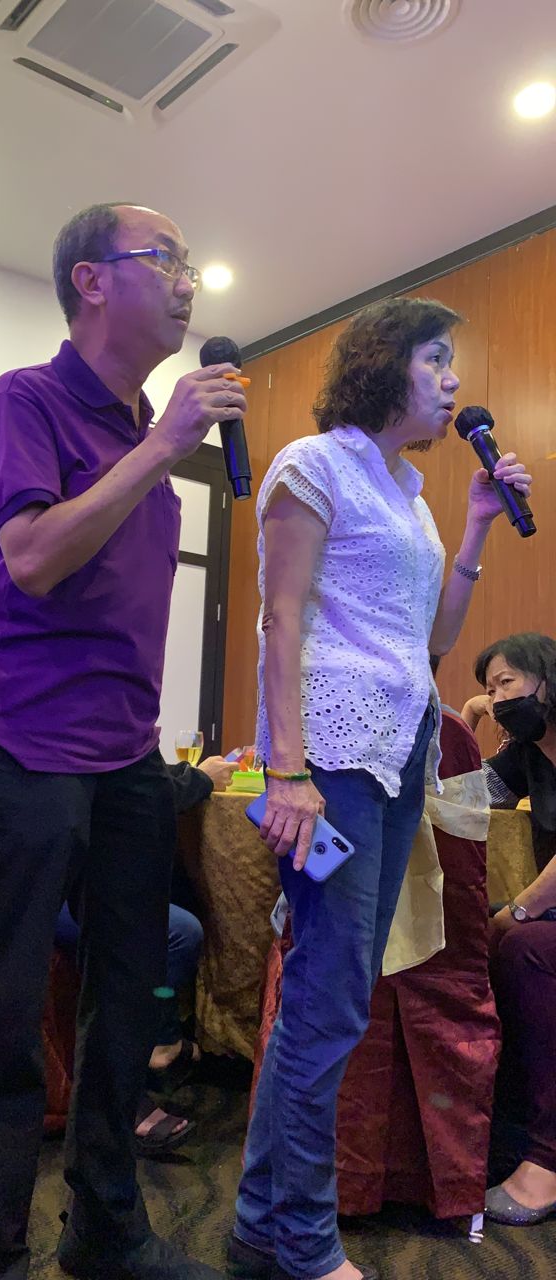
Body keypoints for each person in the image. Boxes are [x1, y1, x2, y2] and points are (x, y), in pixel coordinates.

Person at [0, 202, 247, 1280]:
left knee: (129, 1000)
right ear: (92, 281)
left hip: (125, 754)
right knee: (4, 1011)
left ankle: (106, 1232)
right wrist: (160, 448)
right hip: (22, 740)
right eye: (167, 258)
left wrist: (155, 446)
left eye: (191, 263)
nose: (189, 280)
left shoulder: (150, 433)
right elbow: (29, 559)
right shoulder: (27, 400)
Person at [226, 298, 533, 1280]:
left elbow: (432, 640)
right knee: (327, 997)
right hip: (329, 765)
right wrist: (284, 771)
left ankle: (260, 1225)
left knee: (338, 990)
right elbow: (279, 618)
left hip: (398, 762)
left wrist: (475, 528)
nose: (453, 379)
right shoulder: (314, 464)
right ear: (382, 365)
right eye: (435, 358)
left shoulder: (410, 492)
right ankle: (304, 1239)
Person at [54, 754, 236, 1154]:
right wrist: (198, 779)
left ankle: (162, 1040)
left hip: (80, 865)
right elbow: (127, 786)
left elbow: (133, 773)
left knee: (176, 894)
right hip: (50, 885)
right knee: (175, 933)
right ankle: (143, 1067)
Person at [464, 632, 556, 1225]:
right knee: (474, 935)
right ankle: (513, 1120)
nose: (498, 698)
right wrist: (466, 718)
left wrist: (518, 910)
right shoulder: (528, 754)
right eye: (489, 689)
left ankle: (549, 1157)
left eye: (506, 683)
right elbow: (459, 797)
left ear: (547, 679)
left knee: (524, 946)